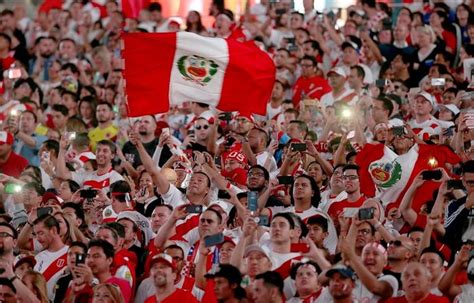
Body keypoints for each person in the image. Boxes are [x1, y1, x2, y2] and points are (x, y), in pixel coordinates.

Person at [32, 214, 69, 301]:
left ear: (53, 230)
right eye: (36, 234)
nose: (38, 238)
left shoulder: (71, 254)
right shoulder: (38, 258)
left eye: (41, 233)